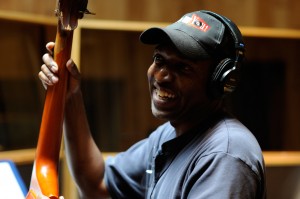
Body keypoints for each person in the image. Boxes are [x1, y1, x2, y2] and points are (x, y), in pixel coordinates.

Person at [39, 10, 266, 199]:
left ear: (220, 81)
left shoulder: (224, 155)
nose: (162, 76)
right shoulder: (167, 136)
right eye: (159, 60)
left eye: (183, 68)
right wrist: (69, 97)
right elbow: (97, 183)